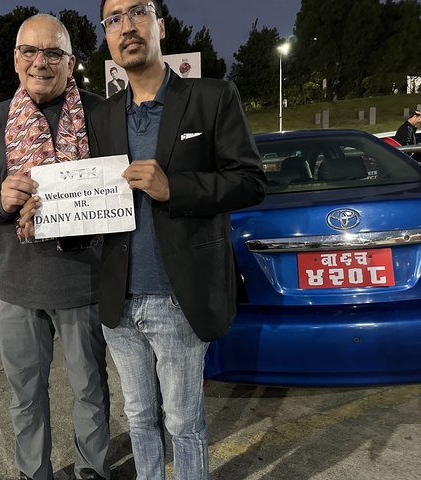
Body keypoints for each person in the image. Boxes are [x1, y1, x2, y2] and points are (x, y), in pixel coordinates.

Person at [87, 1, 267, 479]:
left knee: (184, 422)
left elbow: (250, 181)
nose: (127, 26)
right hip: (118, 302)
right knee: (140, 419)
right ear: (107, 37)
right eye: (114, 19)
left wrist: (176, 188)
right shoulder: (102, 117)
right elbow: (89, 200)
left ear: (160, 25)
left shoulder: (211, 97)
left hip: (179, 297)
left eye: (138, 12)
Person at [0, 14, 109, 480]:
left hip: (83, 281)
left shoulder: (100, 113)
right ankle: (33, 473)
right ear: (16, 59)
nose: (40, 63)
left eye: (53, 53)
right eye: (30, 51)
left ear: (71, 62)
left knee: (90, 391)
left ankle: (92, 470)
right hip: (20, 287)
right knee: (25, 394)